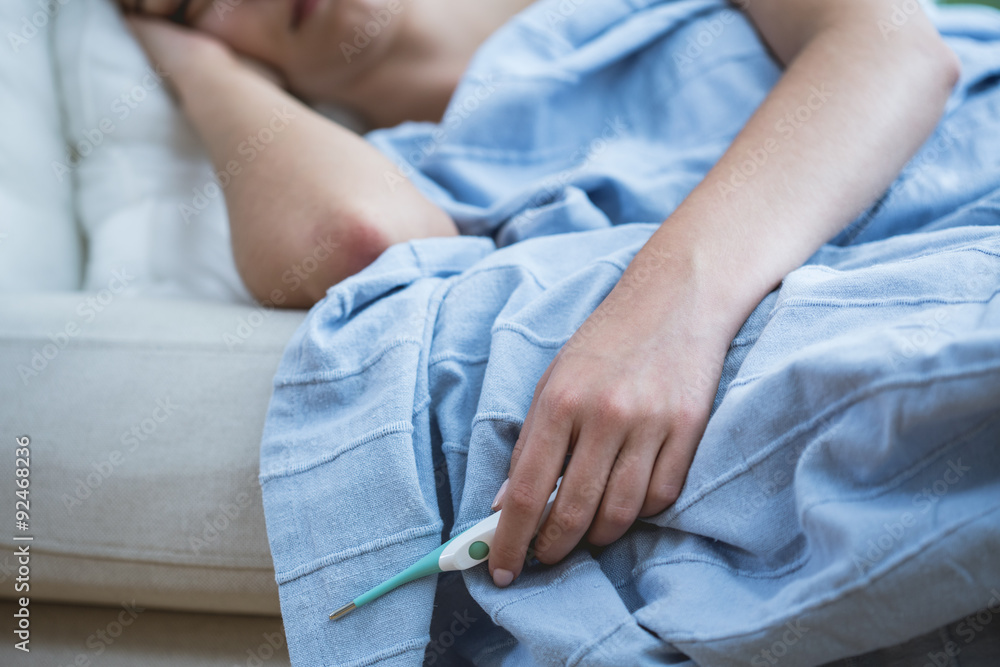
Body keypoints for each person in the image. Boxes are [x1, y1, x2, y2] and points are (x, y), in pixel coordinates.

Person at [120, 0, 960, 592]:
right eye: (195, 3)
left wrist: (664, 312)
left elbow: (896, 48)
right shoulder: (422, 170)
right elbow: (353, 237)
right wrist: (192, 60)